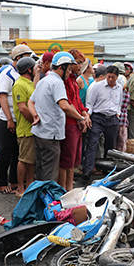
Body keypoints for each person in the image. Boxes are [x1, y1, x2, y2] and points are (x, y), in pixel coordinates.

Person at [29, 52, 84, 182]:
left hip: (40, 132)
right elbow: (64, 106)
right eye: (69, 69)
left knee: (41, 170)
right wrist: (80, 118)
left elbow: (31, 102)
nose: (70, 72)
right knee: (50, 173)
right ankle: (48, 201)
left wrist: (35, 115)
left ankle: (41, 199)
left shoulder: (44, 80)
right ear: (61, 67)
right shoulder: (57, 82)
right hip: (50, 134)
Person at [0, 44, 33, 194]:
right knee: (5, 151)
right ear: (18, 58)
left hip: (20, 118)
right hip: (8, 118)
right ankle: (0, 183)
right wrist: (9, 119)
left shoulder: (22, 74)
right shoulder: (7, 73)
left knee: (17, 152)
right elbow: (2, 96)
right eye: (27, 57)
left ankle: (13, 182)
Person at [84, 65, 123, 177]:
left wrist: (118, 114)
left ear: (117, 77)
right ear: (106, 75)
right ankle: (88, 170)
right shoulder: (98, 86)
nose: (110, 79)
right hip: (98, 118)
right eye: (109, 77)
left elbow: (119, 102)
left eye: (113, 77)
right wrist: (88, 116)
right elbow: (90, 104)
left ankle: (107, 170)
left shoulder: (119, 87)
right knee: (92, 143)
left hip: (112, 119)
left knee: (110, 147)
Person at [60, 49, 90, 190]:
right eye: (78, 63)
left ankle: (69, 187)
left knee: (73, 161)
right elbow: (67, 104)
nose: (80, 66)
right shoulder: (65, 81)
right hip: (69, 123)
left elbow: (78, 102)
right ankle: (63, 189)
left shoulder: (73, 80)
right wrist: (81, 117)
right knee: (66, 161)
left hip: (76, 123)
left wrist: (85, 113)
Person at [12, 57, 37, 195]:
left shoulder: (29, 83)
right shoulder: (19, 84)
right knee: (23, 160)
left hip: (31, 129)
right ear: (29, 69)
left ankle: (29, 186)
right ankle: (20, 188)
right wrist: (35, 118)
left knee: (30, 161)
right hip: (25, 128)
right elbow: (22, 108)